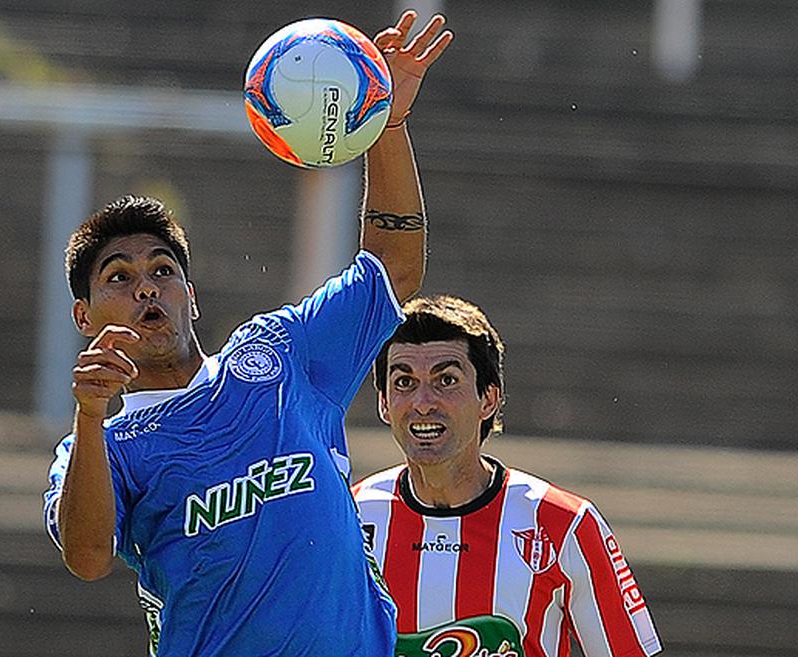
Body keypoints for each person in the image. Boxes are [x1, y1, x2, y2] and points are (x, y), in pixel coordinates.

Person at [41, 10, 453, 657]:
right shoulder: (104, 446)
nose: (147, 288)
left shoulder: (281, 354)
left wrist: (386, 126)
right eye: (119, 277)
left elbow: (393, 268)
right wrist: (90, 417)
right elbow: (88, 557)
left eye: (163, 270)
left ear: (191, 295)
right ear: (84, 317)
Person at [352, 295, 662, 657]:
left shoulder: (564, 523)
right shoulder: (349, 518)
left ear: (489, 399)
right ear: (384, 403)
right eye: (404, 382)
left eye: (446, 380)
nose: (422, 402)